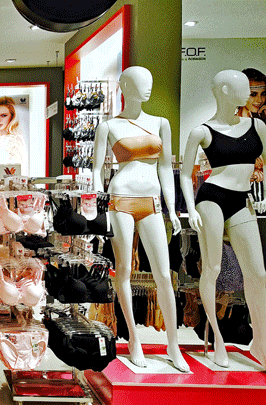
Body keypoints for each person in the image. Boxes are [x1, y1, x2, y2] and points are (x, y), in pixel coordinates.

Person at [92, 66, 190, 372]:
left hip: (152, 201)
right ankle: (134, 339)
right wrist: (97, 209)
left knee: (163, 274)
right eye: (138, 82)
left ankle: (173, 344)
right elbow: (96, 170)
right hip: (120, 198)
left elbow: (166, 168)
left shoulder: (161, 123)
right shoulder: (108, 126)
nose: (146, 87)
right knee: (123, 271)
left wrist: (172, 208)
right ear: (124, 86)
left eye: (149, 81)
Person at [180, 70, 266, 368]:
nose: (250, 93)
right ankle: (216, 337)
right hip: (212, 198)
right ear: (224, 90)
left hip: (242, 200)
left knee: (258, 274)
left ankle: (261, 342)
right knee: (213, 268)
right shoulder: (202, 131)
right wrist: (190, 208)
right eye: (243, 87)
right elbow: (185, 174)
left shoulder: (257, 126)